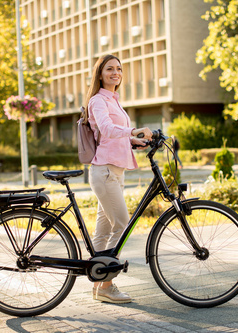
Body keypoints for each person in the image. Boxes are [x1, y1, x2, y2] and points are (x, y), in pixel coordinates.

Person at [85, 54, 152, 304]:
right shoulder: (98, 100)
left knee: (103, 231)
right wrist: (133, 130)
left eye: (119, 69)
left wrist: (137, 140)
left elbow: (118, 135)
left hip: (115, 172)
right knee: (122, 224)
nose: (115, 73)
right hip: (104, 172)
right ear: (100, 74)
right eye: (110, 69)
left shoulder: (115, 100)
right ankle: (107, 284)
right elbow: (107, 129)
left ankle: (98, 284)